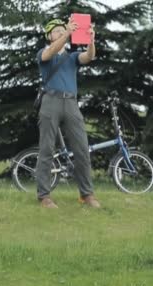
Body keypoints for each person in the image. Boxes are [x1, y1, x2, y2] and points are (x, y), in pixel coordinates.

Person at [35, 17, 100, 209]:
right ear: (49, 35)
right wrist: (67, 34)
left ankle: (87, 194)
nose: (61, 32)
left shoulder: (72, 57)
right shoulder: (44, 52)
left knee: (82, 149)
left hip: (71, 103)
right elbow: (51, 52)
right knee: (47, 149)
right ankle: (44, 196)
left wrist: (91, 41)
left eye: (62, 29)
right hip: (50, 101)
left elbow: (89, 57)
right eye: (56, 31)